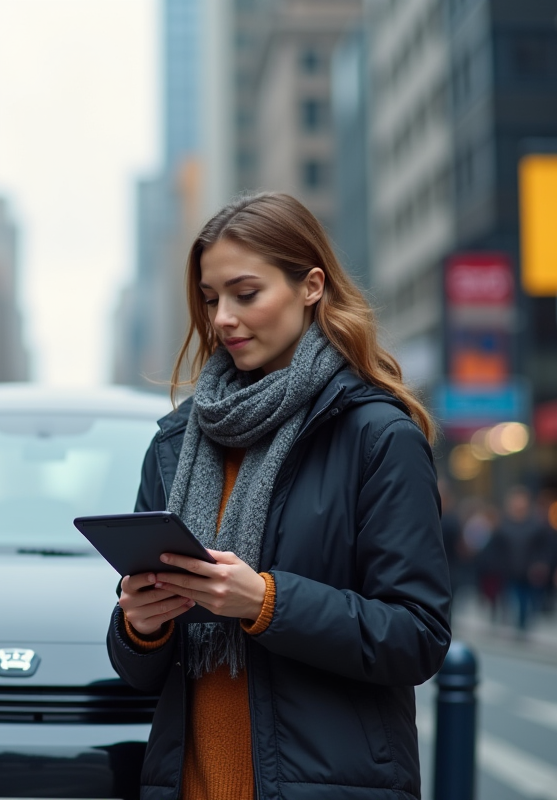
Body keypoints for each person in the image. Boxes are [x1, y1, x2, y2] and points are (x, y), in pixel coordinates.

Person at [108, 193, 451, 800]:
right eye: (212, 300)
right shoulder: (174, 444)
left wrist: (265, 602)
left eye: (246, 294)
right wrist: (139, 627)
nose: (222, 320)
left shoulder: (377, 435)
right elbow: (140, 672)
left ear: (311, 286)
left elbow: (417, 635)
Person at [497, 486, 552, 634]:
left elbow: (544, 548)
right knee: (510, 600)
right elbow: (497, 549)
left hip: (529, 572)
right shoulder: (504, 524)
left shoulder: (536, 525)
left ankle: (523, 627)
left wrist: (541, 564)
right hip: (509, 571)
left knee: (525, 602)